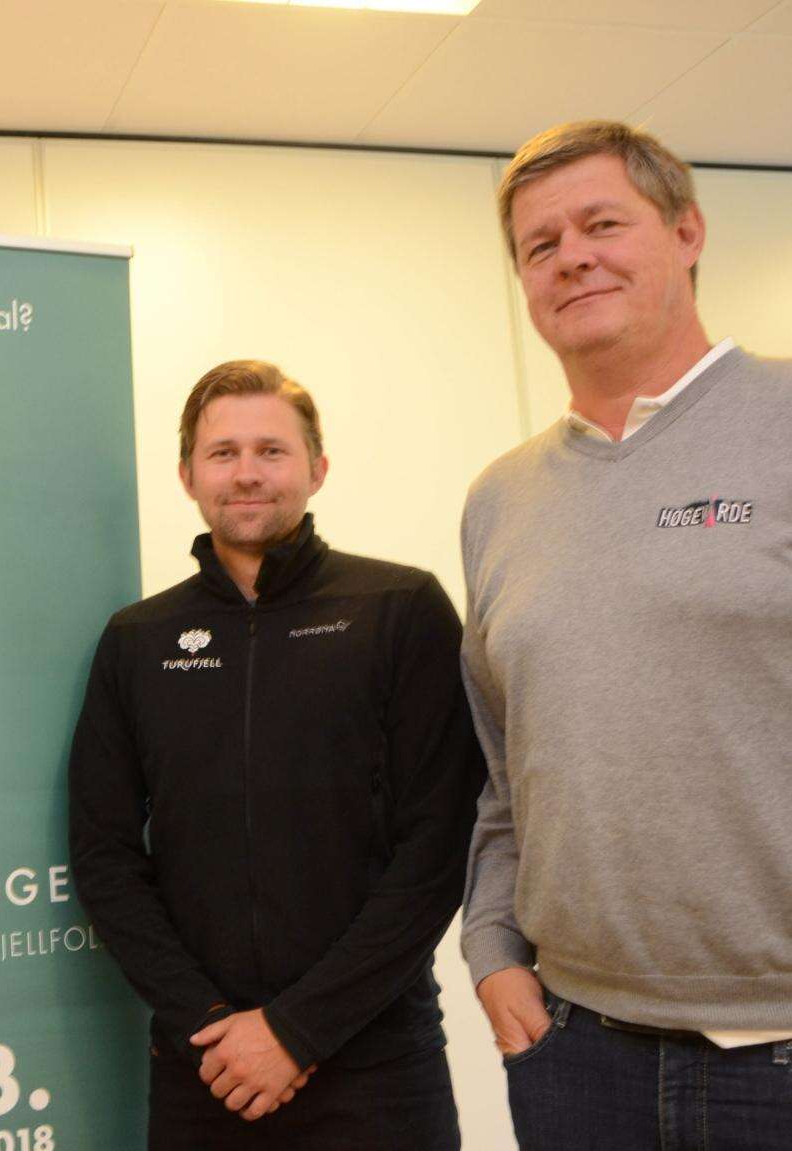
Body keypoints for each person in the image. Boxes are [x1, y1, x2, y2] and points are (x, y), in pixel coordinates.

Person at [461, 120, 792, 1149]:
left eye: (602, 224)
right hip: (577, 1053)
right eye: (540, 244)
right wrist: (491, 945)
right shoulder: (501, 498)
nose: (571, 257)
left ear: (687, 232)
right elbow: (505, 770)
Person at [70, 360, 483, 1150]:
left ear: (316, 468)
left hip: (374, 1065)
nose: (247, 473)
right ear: (187, 475)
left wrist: (297, 1028)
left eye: (271, 450)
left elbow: (439, 843)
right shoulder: (137, 639)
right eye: (222, 453)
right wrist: (208, 1022)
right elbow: (103, 854)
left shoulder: (398, 610)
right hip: (204, 1066)